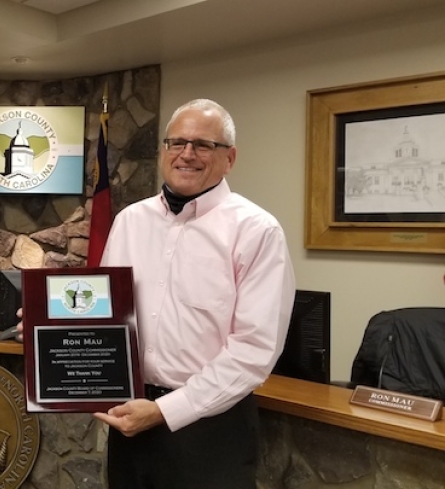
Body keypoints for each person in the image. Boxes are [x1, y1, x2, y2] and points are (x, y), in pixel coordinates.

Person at [21, 99, 295, 488]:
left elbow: (253, 351)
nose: (187, 154)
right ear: (164, 151)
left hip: (208, 427)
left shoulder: (256, 231)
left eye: (203, 145)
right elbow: (105, 313)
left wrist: (166, 410)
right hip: (132, 420)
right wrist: (45, 324)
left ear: (229, 158)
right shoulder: (131, 220)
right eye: (176, 143)